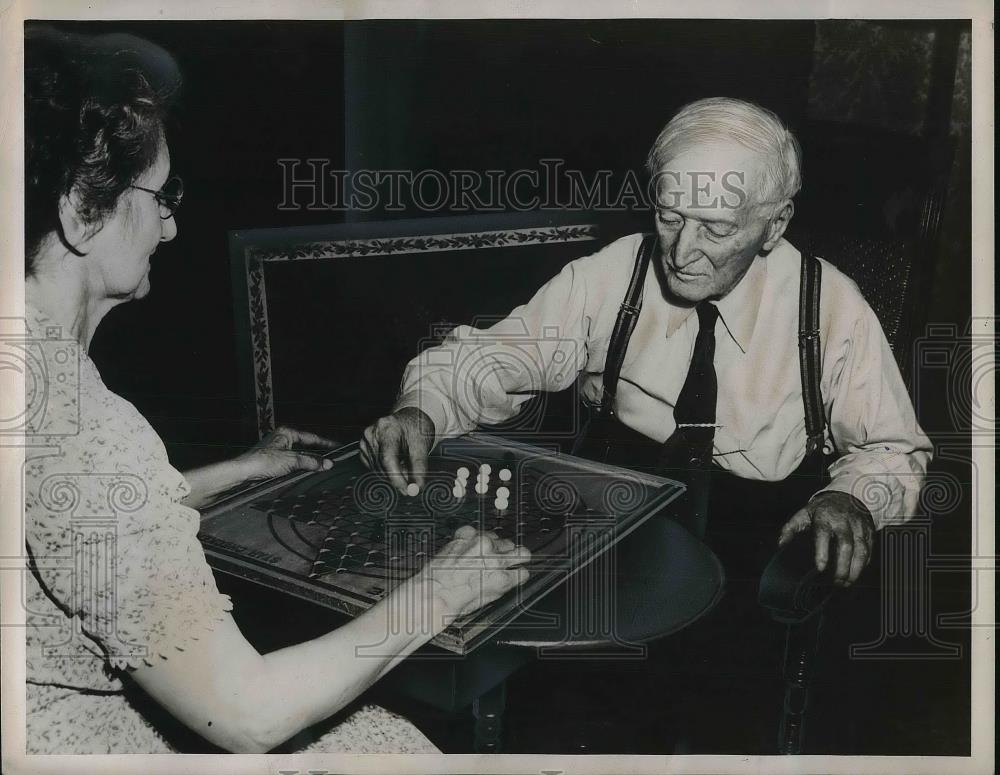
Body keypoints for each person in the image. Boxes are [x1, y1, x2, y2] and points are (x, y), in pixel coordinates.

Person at [23, 26, 529, 755]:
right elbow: (247, 713)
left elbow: (69, 514)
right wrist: (442, 589)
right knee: (391, 746)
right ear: (80, 210)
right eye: (160, 196)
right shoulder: (87, 423)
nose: (168, 228)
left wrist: (237, 470)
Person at [362, 97, 933, 589]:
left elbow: (892, 449)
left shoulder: (831, 307)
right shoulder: (614, 275)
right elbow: (487, 361)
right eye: (670, 217)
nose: (682, 253)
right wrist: (422, 410)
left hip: (754, 547)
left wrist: (852, 498)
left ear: (775, 224)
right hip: (607, 525)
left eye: (716, 228)